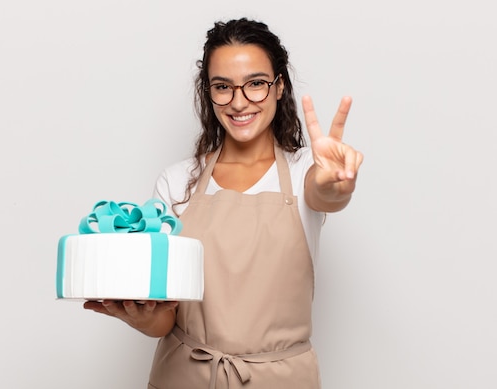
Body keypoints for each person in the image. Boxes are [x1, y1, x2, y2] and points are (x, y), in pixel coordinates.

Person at [84, 17, 363, 388]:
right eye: (223, 87)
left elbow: (325, 194)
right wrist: (140, 317)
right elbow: (167, 318)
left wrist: (336, 183)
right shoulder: (177, 182)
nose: (238, 101)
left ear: (279, 87)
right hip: (184, 375)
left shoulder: (305, 170)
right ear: (208, 92)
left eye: (256, 85)